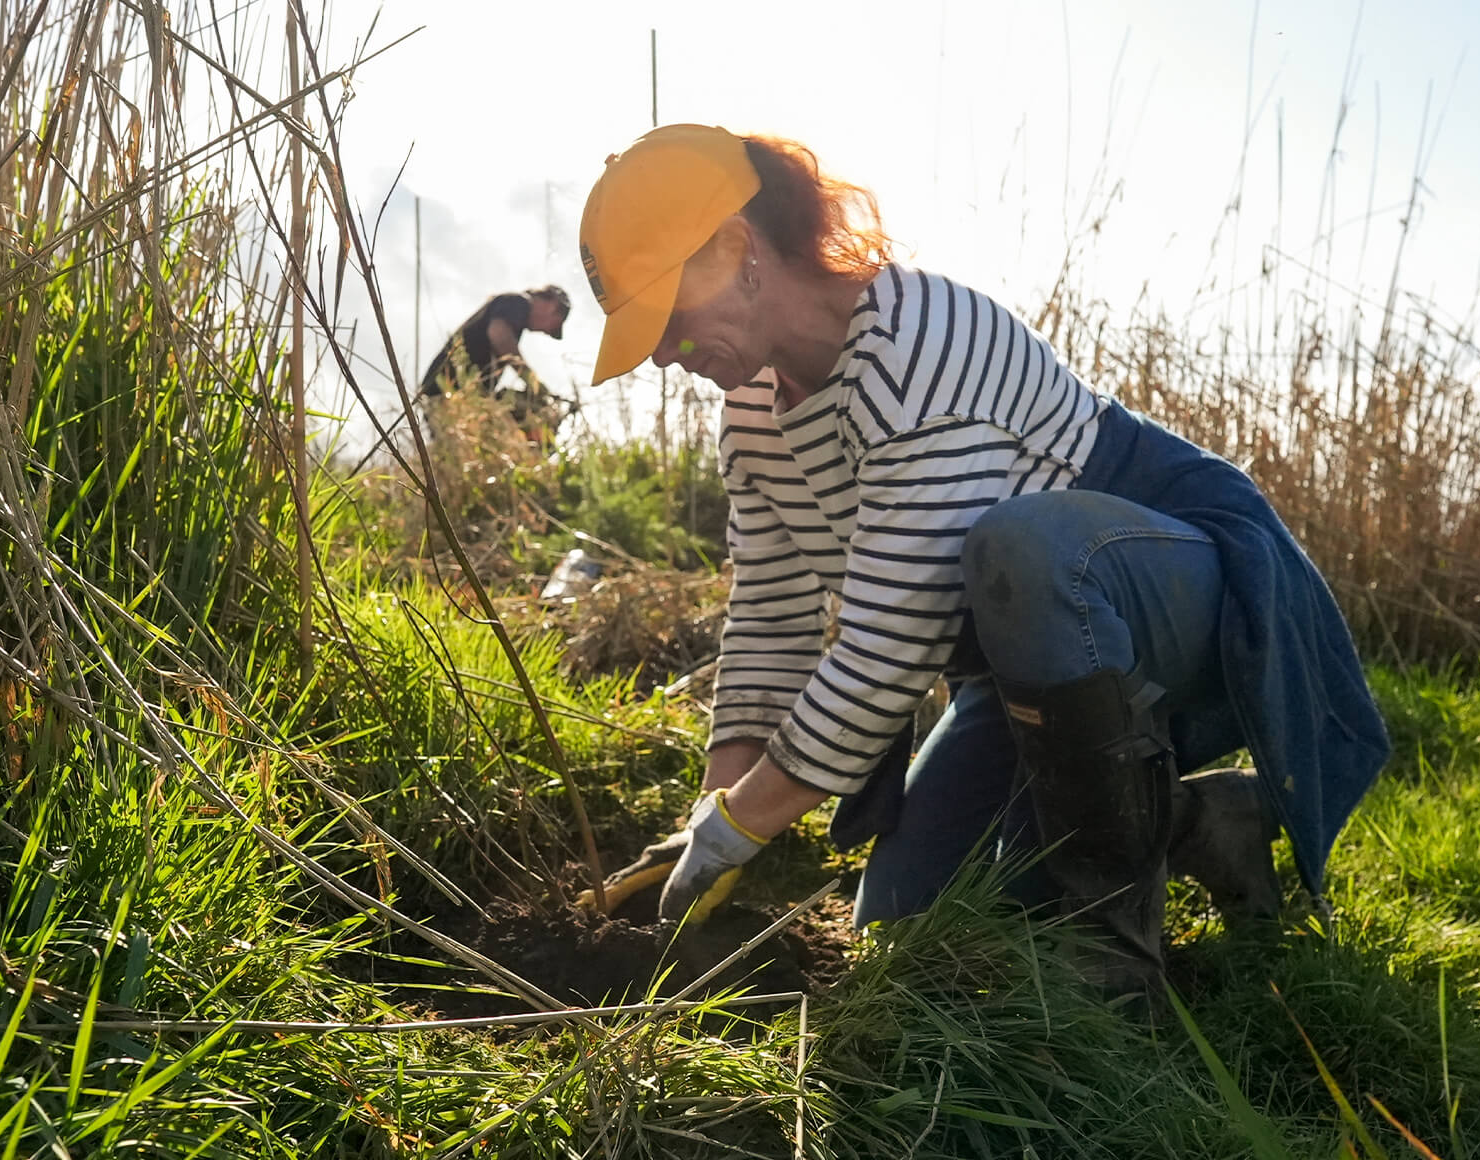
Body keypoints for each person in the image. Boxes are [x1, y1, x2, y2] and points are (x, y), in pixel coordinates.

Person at [578, 125, 1389, 994]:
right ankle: (1196, 820)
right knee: (906, 926)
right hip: (1028, 670)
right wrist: (712, 815)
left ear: (737, 250)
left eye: (665, 316)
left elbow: (889, 648)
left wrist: (747, 826)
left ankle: (1112, 944)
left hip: (1180, 597)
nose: (661, 353)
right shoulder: (752, 417)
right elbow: (771, 619)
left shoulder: (918, 342)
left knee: (1023, 547)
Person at [418, 285, 572, 441]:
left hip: (456, 397)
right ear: (553, 305)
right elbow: (499, 334)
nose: (546, 332)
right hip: (445, 393)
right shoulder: (519, 302)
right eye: (554, 326)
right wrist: (533, 382)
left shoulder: (515, 318)